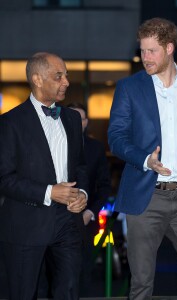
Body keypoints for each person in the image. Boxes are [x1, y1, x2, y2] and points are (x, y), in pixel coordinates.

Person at [108, 17, 177, 299]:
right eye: (142, 51)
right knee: (142, 283)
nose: (145, 58)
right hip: (146, 196)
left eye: (151, 51)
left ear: (169, 48)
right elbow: (116, 138)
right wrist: (145, 160)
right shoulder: (129, 88)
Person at [0, 52, 89, 300]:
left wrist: (82, 193)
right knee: (24, 293)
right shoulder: (9, 123)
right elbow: (4, 179)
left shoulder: (71, 118)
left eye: (66, 76)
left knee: (69, 291)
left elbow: (80, 166)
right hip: (26, 223)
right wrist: (50, 192)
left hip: (68, 223)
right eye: (58, 76)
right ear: (37, 79)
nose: (66, 82)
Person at [67, 102, 111, 295]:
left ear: (86, 123)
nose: (77, 123)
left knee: (83, 273)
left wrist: (90, 212)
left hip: (85, 221)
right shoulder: (51, 144)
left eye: (81, 119)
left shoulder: (96, 148)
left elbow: (104, 186)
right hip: (53, 220)